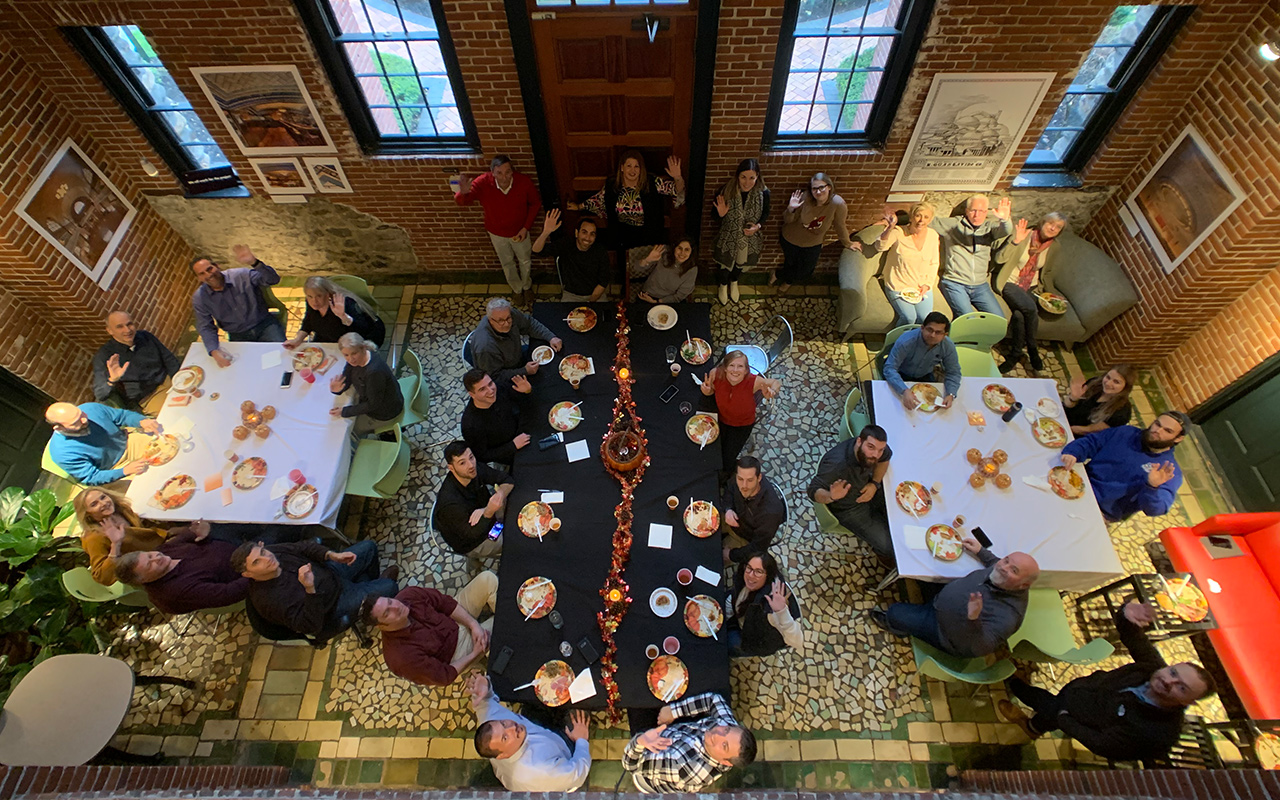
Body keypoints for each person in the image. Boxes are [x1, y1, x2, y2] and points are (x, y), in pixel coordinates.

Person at [998, 600, 1216, 763]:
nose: (1169, 680)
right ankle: (1034, 727)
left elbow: (1103, 745)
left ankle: (1014, 688)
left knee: (1044, 703)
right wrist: (1126, 615)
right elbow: (1134, 638)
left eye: (1181, 687)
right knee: (1048, 713)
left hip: (1075, 715)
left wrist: (1065, 720)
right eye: (1174, 672)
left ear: (1187, 703)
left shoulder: (1156, 733)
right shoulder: (1154, 669)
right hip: (1079, 692)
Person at [870, 537, 1039, 658]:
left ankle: (896, 626)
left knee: (895, 612)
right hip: (942, 600)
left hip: (944, 631)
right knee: (924, 569)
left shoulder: (1008, 616)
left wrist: (973, 618)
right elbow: (995, 562)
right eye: (1006, 560)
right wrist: (981, 551)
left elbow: (979, 648)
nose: (1003, 567)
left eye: (1013, 570)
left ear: (1024, 585)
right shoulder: (1002, 571)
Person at [232, 539, 398, 641]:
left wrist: (332, 555)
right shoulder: (269, 601)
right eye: (256, 562)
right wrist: (309, 589)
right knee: (390, 587)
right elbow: (310, 626)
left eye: (263, 552)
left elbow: (303, 547)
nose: (267, 558)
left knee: (368, 547)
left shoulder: (273, 553)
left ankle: (369, 585)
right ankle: (372, 595)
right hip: (333, 604)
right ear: (247, 574)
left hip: (331, 571)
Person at [360, 571, 498, 687]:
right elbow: (444, 675)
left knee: (487, 578)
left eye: (390, 601)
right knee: (502, 626)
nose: (396, 606)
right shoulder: (401, 658)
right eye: (387, 613)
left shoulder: (408, 595)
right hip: (456, 651)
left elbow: (445, 603)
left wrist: (473, 624)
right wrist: (475, 653)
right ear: (380, 626)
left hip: (453, 619)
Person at [467, 673, 592, 792]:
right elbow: (577, 775)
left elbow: (484, 703)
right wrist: (581, 741)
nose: (512, 728)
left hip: (539, 730)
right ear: (502, 756)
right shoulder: (539, 770)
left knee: (539, 693)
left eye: (504, 724)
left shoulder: (491, 722)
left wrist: (485, 687)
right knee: (580, 712)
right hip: (564, 757)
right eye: (505, 738)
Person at [569, 150, 685, 278]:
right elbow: (598, 200)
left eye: (636, 166)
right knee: (627, 268)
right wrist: (579, 206)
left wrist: (677, 178)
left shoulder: (652, 182)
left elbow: (677, 190)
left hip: (649, 233)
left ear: (641, 169)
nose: (632, 170)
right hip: (623, 234)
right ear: (622, 168)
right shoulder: (612, 185)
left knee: (650, 265)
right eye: (629, 165)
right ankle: (627, 289)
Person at [1060, 411, 1188, 522]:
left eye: (1167, 431)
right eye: (1157, 424)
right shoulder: (1126, 432)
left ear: (1178, 438)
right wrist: (1074, 452)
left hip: (1100, 511)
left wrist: (1152, 487)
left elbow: (1156, 509)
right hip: (1077, 484)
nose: (1157, 431)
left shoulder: (1169, 471)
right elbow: (1093, 441)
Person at [622, 692, 756, 793]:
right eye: (726, 730)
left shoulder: (683, 767)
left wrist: (640, 740)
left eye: (724, 745)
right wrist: (674, 712)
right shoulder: (731, 732)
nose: (718, 734)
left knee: (636, 695)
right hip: (679, 732)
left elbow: (631, 765)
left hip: (650, 757)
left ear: (726, 762)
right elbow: (713, 700)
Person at [454, 155, 543, 302]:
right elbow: (463, 202)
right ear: (492, 173)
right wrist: (462, 193)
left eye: (508, 172)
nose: (504, 177)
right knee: (507, 262)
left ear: (512, 171)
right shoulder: (483, 182)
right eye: (499, 173)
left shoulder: (524, 182)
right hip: (497, 233)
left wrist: (526, 228)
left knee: (525, 260)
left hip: (520, 231)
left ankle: (527, 286)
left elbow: (535, 204)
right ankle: (516, 288)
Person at [113, 525, 250, 614]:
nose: (156, 557)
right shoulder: (176, 592)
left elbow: (188, 534)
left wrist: (201, 530)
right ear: (143, 580)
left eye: (149, 555)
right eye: (150, 565)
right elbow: (228, 593)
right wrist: (253, 573)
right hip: (245, 568)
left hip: (229, 542)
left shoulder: (163, 553)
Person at [808, 425, 893, 566]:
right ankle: (883, 555)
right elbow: (813, 490)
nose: (875, 455)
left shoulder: (876, 452)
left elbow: (885, 458)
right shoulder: (836, 464)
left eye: (880, 450)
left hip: (867, 489)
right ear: (859, 441)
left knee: (901, 516)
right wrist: (831, 495)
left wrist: (874, 484)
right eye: (871, 447)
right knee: (890, 547)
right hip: (849, 509)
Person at [995, 213, 1068, 376]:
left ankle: (1014, 355)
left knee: (1020, 316)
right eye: (1050, 223)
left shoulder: (1054, 246)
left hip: (1031, 286)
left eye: (1057, 227)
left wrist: (1052, 294)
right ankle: (1032, 348)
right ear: (1042, 222)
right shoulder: (1024, 235)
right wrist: (1016, 241)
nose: (1052, 228)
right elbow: (999, 259)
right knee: (1030, 309)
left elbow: (1047, 273)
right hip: (1010, 282)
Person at [191, 244, 284, 368]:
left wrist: (254, 263)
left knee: (281, 358)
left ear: (217, 266)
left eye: (209, 269)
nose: (208, 275)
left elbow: (273, 279)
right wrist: (214, 351)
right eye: (202, 274)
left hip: (264, 324)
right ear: (198, 278)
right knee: (246, 368)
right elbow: (205, 326)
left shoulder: (241, 275)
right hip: (238, 334)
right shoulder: (200, 298)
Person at [697, 350, 782, 473]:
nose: (735, 370)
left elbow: (775, 382)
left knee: (728, 457)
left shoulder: (754, 382)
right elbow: (711, 391)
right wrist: (707, 391)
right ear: (725, 368)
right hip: (720, 418)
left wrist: (772, 391)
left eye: (740, 366)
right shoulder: (715, 374)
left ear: (746, 370)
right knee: (711, 448)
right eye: (731, 365)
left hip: (741, 425)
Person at [932, 194, 1013, 317]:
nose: (977, 215)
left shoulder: (989, 228)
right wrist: (897, 217)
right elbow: (926, 220)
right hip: (955, 283)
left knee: (999, 320)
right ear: (966, 211)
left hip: (981, 286)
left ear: (986, 212)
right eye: (973, 210)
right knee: (968, 318)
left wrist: (1005, 220)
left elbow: (1006, 230)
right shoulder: (953, 224)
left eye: (981, 211)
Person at [775, 173, 855, 295]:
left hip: (813, 243)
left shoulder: (838, 204)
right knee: (790, 263)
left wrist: (848, 243)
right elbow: (788, 220)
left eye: (821, 187)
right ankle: (787, 282)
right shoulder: (804, 198)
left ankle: (777, 274)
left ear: (829, 187)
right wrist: (791, 209)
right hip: (791, 238)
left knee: (805, 270)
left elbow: (840, 225)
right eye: (814, 188)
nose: (818, 192)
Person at [45, 401, 160, 486]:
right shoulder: (61, 452)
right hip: (112, 469)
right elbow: (91, 477)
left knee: (167, 443)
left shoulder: (90, 408)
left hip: (128, 442)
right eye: (76, 422)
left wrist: (141, 421)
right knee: (145, 487)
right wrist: (124, 471)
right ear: (59, 428)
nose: (84, 420)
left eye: (81, 414)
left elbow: (121, 416)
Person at [73, 489, 173, 585]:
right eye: (94, 504)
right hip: (150, 567)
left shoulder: (120, 510)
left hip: (162, 545)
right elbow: (102, 577)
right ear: (87, 514)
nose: (103, 503)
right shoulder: (95, 538)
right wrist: (116, 544)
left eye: (103, 497)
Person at [434, 441, 513, 560]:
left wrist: (498, 496)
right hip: (474, 541)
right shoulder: (450, 505)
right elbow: (471, 535)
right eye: (462, 463)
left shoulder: (474, 470)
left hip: (487, 515)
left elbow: (507, 480)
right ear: (451, 468)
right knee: (512, 539)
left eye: (471, 457)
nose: (471, 465)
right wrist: (488, 512)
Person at [92, 311, 180, 414]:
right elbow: (100, 394)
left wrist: (179, 378)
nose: (127, 330)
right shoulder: (104, 356)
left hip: (168, 379)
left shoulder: (145, 336)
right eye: (120, 327)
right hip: (149, 396)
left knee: (198, 391)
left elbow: (168, 359)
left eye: (129, 324)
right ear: (110, 331)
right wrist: (112, 380)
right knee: (176, 413)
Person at [870, 203, 941, 327]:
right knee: (909, 318)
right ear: (911, 217)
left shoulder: (933, 235)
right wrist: (890, 228)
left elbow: (934, 262)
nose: (921, 220)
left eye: (925, 217)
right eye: (918, 216)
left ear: (930, 220)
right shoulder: (899, 232)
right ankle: (897, 342)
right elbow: (880, 246)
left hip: (921, 285)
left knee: (924, 318)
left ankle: (914, 342)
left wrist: (927, 284)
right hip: (898, 283)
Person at [712, 159, 770, 305]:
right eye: (743, 177)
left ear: (757, 177)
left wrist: (757, 227)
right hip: (728, 235)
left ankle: (734, 282)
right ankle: (723, 285)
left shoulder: (763, 193)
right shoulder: (726, 190)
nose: (747, 182)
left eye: (752, 178)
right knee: (724, 263)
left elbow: (765, 214)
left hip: (748, 237)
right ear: (737, 176)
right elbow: (714, 217)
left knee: (741, 262)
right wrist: (721, 214)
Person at [471, 298, 563, 387]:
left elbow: (529, 324)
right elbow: (493, 378)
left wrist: (551, 337)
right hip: (506, 378)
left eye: (508, 318)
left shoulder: (508, 314)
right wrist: (524, 371)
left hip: (517, 357)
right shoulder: (485, 347)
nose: (506, 324)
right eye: (501, 321)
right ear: (491, 320)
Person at [726, 553, 802, 658]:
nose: (751, 575)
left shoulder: (771, 608)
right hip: (741, 617)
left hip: (752, 638)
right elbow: (735, 595)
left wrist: (782, 612)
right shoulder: (744, 577)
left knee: (725, 645)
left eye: (759, 572)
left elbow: (797, 641)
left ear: (768, 575)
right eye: (749, 568)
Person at [882, 312, 962, 411]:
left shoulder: (948, 346)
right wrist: (904, 390)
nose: (932, 335)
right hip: (901, 374)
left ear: (945, 335)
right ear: (922, 328)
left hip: (925, 376)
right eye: (930, 330)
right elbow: (890, 368)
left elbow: (954, 372)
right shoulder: (906, 341)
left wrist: (951, 394)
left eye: (938, 332)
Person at [328, 332, 403, 435]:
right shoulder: (356, 360)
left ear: (363, 348)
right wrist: (339, 388)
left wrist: (344, 412)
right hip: (376, 399)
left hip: (386, 411)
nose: (350, 359)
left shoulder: (374, 373)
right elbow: (348, 374)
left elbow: (373, 404)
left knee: (352, 430)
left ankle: (388, 434)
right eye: (346, 355)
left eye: (354, 353)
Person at [531, 211, 610, 303]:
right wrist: (546, 232)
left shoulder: (600, 251)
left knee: (604, 316)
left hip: (595, 294)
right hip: (571, 295)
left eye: (592, 234)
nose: (588, 238)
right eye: (584, 232)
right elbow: (536, 251)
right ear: (577, 233)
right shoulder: (566, 244)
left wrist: (590, 303)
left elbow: (603, 282)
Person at [283, 276, 384, 348]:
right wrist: (298, 339)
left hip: (357, 340)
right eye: (310, 296)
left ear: (328, 294)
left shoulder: (344, 303)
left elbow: (363, 330)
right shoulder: (312, 304)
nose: (314, 301)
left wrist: (343, 316)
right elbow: (309, 321)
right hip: (331, 341)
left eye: (319, 296)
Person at [721, 456, 786, 564]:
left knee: (715, 557)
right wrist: (728, 509)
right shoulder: (741, 477)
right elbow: (729, 489)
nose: (744, 486)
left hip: (744, 537)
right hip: (730, 517)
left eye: (750, 480)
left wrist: (731, 555)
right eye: (740, 479)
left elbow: (758, 548)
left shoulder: (771, 513)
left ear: (759, 477)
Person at [461, 369, 531, 467]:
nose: (491, 391)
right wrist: (512, 446)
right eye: (482, 389)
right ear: (472, 394)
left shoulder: (499, 387)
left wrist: (527, 391)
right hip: (511, 454)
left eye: (490, 384)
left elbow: (521, 401)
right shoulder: (470, 425)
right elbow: (482, 455)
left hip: (525, 429)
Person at [1063, 365, 1137, 436]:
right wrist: (1072, 398)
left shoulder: (1121, 412)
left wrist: (1065, 430)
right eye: (1108, 377)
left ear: (1125, 387)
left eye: (1116, 382)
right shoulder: (1093, 383)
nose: (1108, 383)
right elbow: (1067, 405)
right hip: (1064, 418)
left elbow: (1088, 431)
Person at [636, 237, 698, 304]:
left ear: (691, 252)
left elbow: (680, 296)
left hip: (668, 301)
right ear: (674, 248)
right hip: (647, 296)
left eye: (687, 250)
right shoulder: (663, 254)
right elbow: (637, 269)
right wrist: (647, 259)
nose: (682, 253)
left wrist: (657, 302)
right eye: (679, 248)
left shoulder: (692, 269)